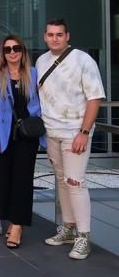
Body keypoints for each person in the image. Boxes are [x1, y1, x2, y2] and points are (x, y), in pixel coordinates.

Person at [36, 18, 105, 260]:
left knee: (76, 182)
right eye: (50, 34)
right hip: (52, 132)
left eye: (59, 34)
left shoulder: (83, 61)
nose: (55, 38)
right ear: (45, 36)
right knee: (62, 182)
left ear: (68, 36)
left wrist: (84, 133)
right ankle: (67, 228)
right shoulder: (41, 61)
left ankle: (83, 237)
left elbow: (94, 98)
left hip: (76, 132)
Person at [0, 35, 45, 249]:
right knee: (4, 179)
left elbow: (40, 102)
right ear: (3, 53)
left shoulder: (33, 73)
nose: (12, 52)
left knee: (22, 180)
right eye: (8, 49)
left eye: (16, 48)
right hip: (3, 134)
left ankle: (17, 226)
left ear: (22, 51)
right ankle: (10, 219)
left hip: (26, 135)